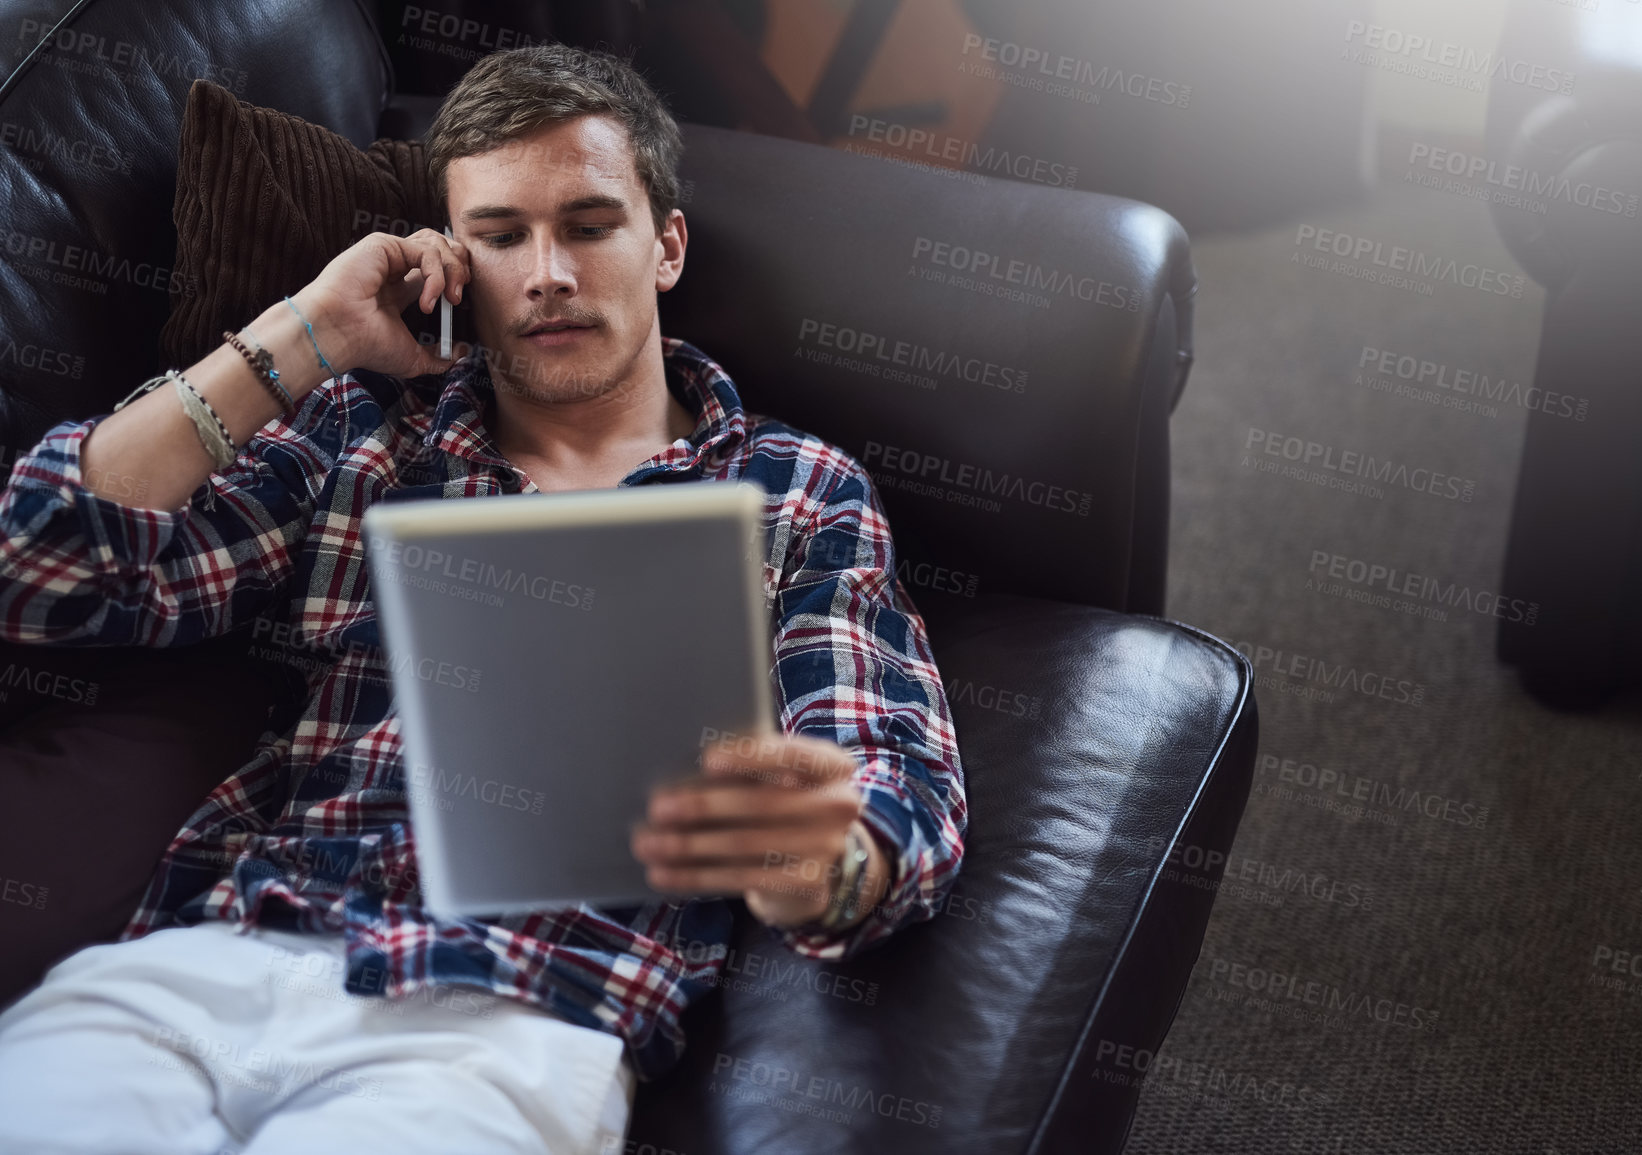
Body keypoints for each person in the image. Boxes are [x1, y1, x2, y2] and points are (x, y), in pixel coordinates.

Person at [0, 44, 965, 1155]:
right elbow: (40, 569)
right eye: (502, 237)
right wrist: (304, 333)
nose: (546, 272)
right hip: (217, 957)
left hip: (514, 1014)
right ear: (453, 263)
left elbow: (889, 764)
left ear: (667, 247)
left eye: (591, 226)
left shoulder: (790, 491)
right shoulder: (368, 432)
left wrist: (826, 863)